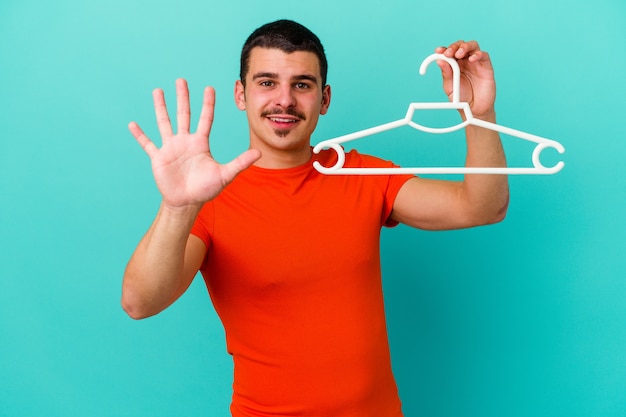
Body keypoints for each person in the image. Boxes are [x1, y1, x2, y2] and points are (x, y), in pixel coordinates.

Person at [122, 19, 509, 417]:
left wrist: (479, 114)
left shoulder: (362, 175)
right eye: (267, 82)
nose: (285, 100)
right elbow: (139, 302)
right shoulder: (210, 201)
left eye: (302, 85)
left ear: (324, 99)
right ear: (241, 93)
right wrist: (178, 207)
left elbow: (481, 206)